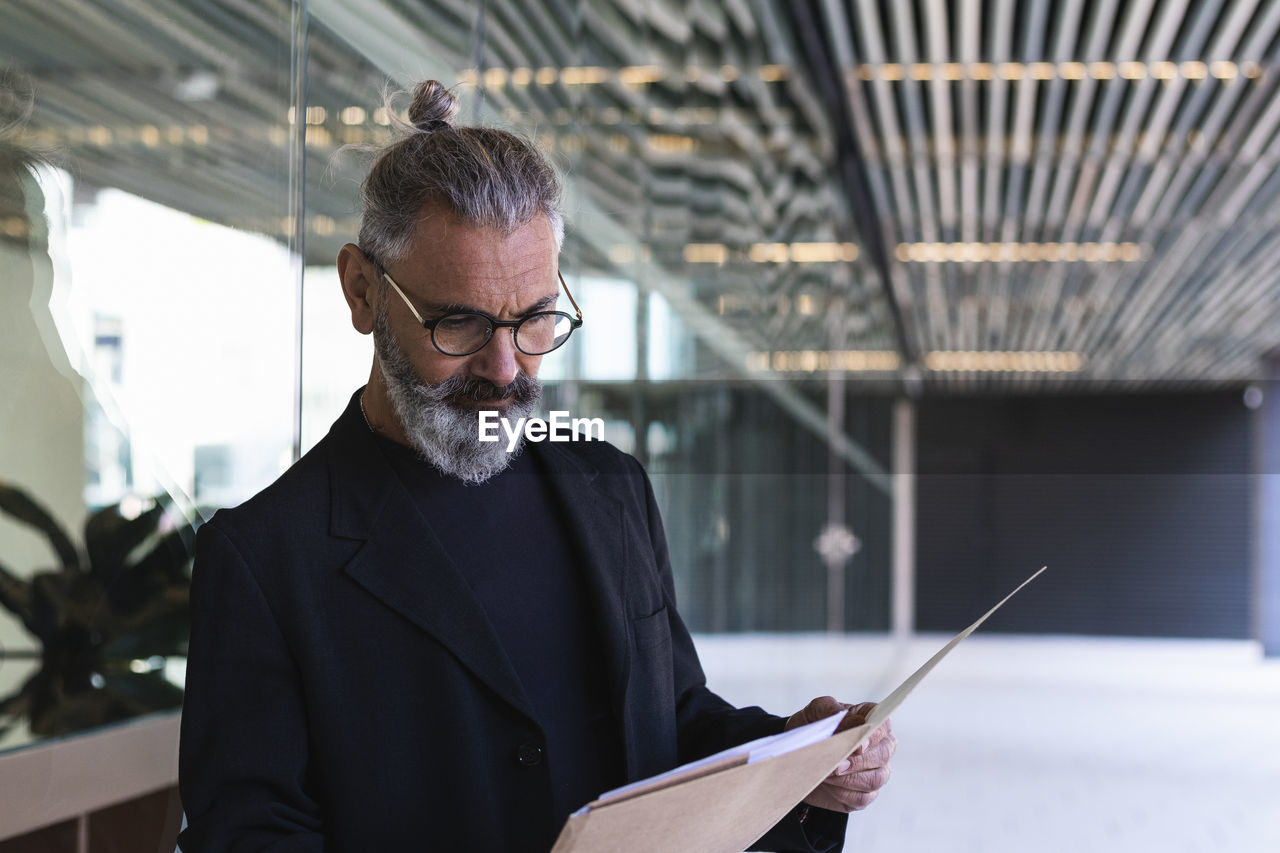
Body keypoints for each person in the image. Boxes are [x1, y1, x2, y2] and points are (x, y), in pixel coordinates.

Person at [177, 80, 896, 853]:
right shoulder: (263, 562)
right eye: (459, 323)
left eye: (535, 319)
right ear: (362, 291)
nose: (503, 364)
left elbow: (674, 721)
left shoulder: (612, 489)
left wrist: (795, 756)